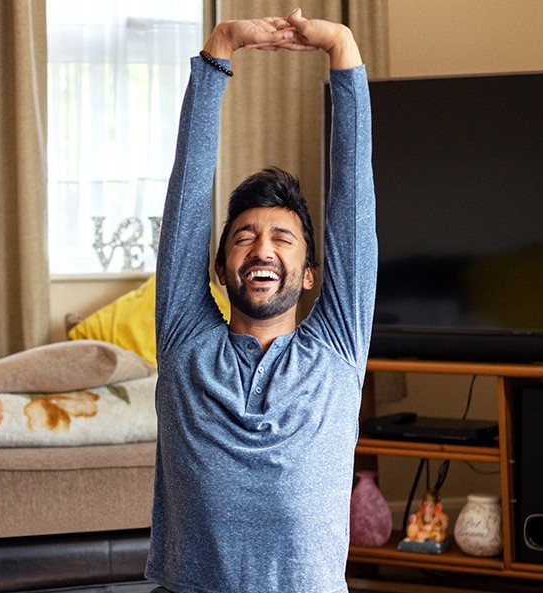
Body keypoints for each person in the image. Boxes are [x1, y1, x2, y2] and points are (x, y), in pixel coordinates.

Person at [145, 9, 375, 593]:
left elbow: (352, 206)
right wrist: (218, 51)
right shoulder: (185, 342)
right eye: (244, 237)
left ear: (308, 276)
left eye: (282, 238)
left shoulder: (338, 348)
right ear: (221, 268)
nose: (262, 250)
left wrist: (344, 53)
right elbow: (189, 199)